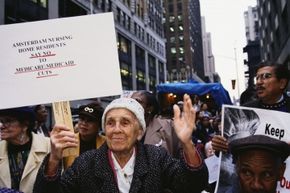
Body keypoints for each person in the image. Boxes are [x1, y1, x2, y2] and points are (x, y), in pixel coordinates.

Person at [33, 94, 208, 193]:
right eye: (110, 123)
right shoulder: (86, 163)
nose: (116, 129)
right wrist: (55, 158)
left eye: (125, 123)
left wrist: (186, 143)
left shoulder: (156, 158)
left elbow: (193, 186)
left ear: (139, 132)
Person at [212, 61, 290, 152]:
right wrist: (219, 145)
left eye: (266, 76)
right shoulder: (245, 113)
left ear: (282, 83)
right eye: (257, 78)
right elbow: (228, 151)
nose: (259, 82)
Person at [0, 107, 50, 193]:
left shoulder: (48, 146)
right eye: (1, 121)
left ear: (25, 125)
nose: (1, 126)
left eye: (8, 121)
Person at [131, 90, 180, 157]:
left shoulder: (167, 126)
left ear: (149, 108)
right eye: (130, 101)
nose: (131, 104)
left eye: (137, 101)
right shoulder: (125, 127)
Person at [63, 102, 106, 169]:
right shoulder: (68, 141)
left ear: (99, 125)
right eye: (82, 119)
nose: (84, 123)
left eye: (90, 120)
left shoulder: (106, 144)